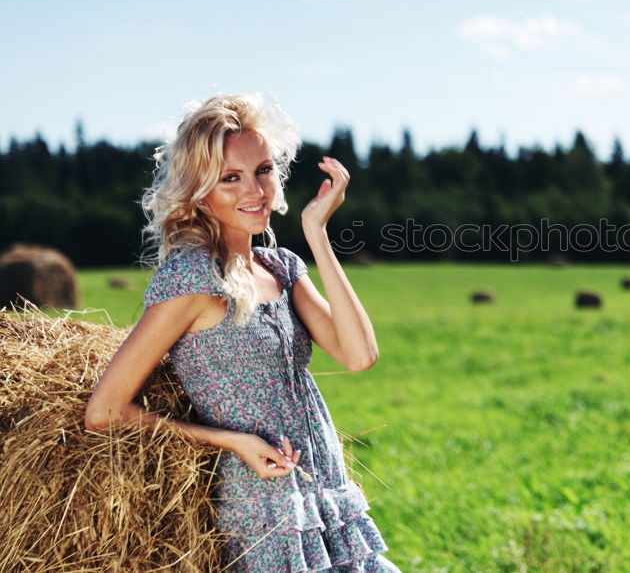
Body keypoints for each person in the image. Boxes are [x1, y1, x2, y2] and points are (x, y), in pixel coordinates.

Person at [85, 93, 400, 572]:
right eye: (230, 178)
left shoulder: (282, 267)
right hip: (261, 506)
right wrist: (229, 441)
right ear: (199, 191)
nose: (255, 190)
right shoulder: (190, 278)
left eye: (263, 171)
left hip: (324, 486)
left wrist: (316, 232)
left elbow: (359, 356)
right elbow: (105, 412)